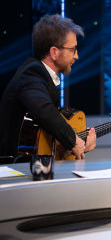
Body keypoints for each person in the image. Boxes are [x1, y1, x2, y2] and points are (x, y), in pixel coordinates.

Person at [0, 14, 96, 163]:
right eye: (73, 49)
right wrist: (73, 140)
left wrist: (82, 138)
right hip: (13, 172)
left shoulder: (40, 76)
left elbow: (49, 128)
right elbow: (44, 111)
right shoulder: (31, 73)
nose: (77, 56)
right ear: (54, 52)